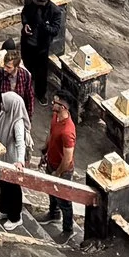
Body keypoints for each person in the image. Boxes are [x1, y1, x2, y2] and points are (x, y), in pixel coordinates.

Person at [20, 0, 67, 99]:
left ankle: (40, 94)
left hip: (41, 46)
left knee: (41, 73)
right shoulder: (30, 2)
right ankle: (26, 88)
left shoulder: (55, 11)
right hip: (27, 42)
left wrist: (44, 25)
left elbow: (55, 30)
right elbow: (24, 14)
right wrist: (25, 24)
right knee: (26, 66)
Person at [0, 88, 31, 230]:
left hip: (12, 159)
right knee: (3, 184)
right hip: (3, 156)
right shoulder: (5, 113)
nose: (2, 105)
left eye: (4, 103)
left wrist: (20, 161)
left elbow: (20, 142)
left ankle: (15, 217)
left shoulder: (17, 122)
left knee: (13, 188)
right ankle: (4, 210)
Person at [43, 96, 78, 241]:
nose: (52, 103)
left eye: (55, 102)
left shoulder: (67, 131)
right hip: (51, 163)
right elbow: (50, 135)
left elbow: (67, 158)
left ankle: (68, 229)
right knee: (51, 191)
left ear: (63, 107)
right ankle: (53, 213)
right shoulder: (55, 117)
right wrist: (44, 152)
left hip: (62, 170)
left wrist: (58, 173)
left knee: (64, 200)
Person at [0, 44, 34, 125]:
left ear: (17, 67)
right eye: (4, 65)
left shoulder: (25, 76)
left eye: (9, 67)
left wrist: (28, 119)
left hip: (16, 118)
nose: (5, 69)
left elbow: (29, 98)